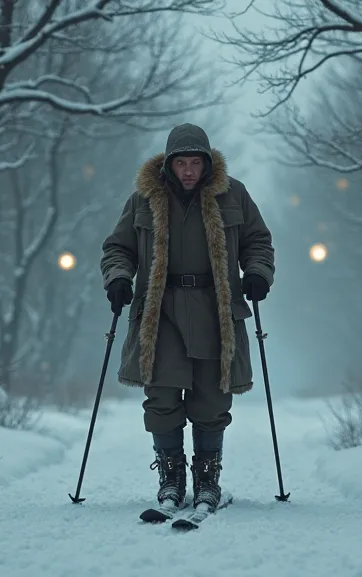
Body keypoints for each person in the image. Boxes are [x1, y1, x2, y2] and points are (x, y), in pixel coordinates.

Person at [100, 123, 275, 514]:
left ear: (207, 163)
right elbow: (117, 248)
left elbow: (258, 241)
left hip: (216, 311)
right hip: (160, 313)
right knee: (161, 397)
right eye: (183, 163)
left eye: (197, 162)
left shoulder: (234, 195)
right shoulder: (143, 200)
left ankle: (208, 479)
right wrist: (118, 279)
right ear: (169, 164)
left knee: (212, 399)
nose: (190, 171)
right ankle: (172, 480)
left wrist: (259, 272)